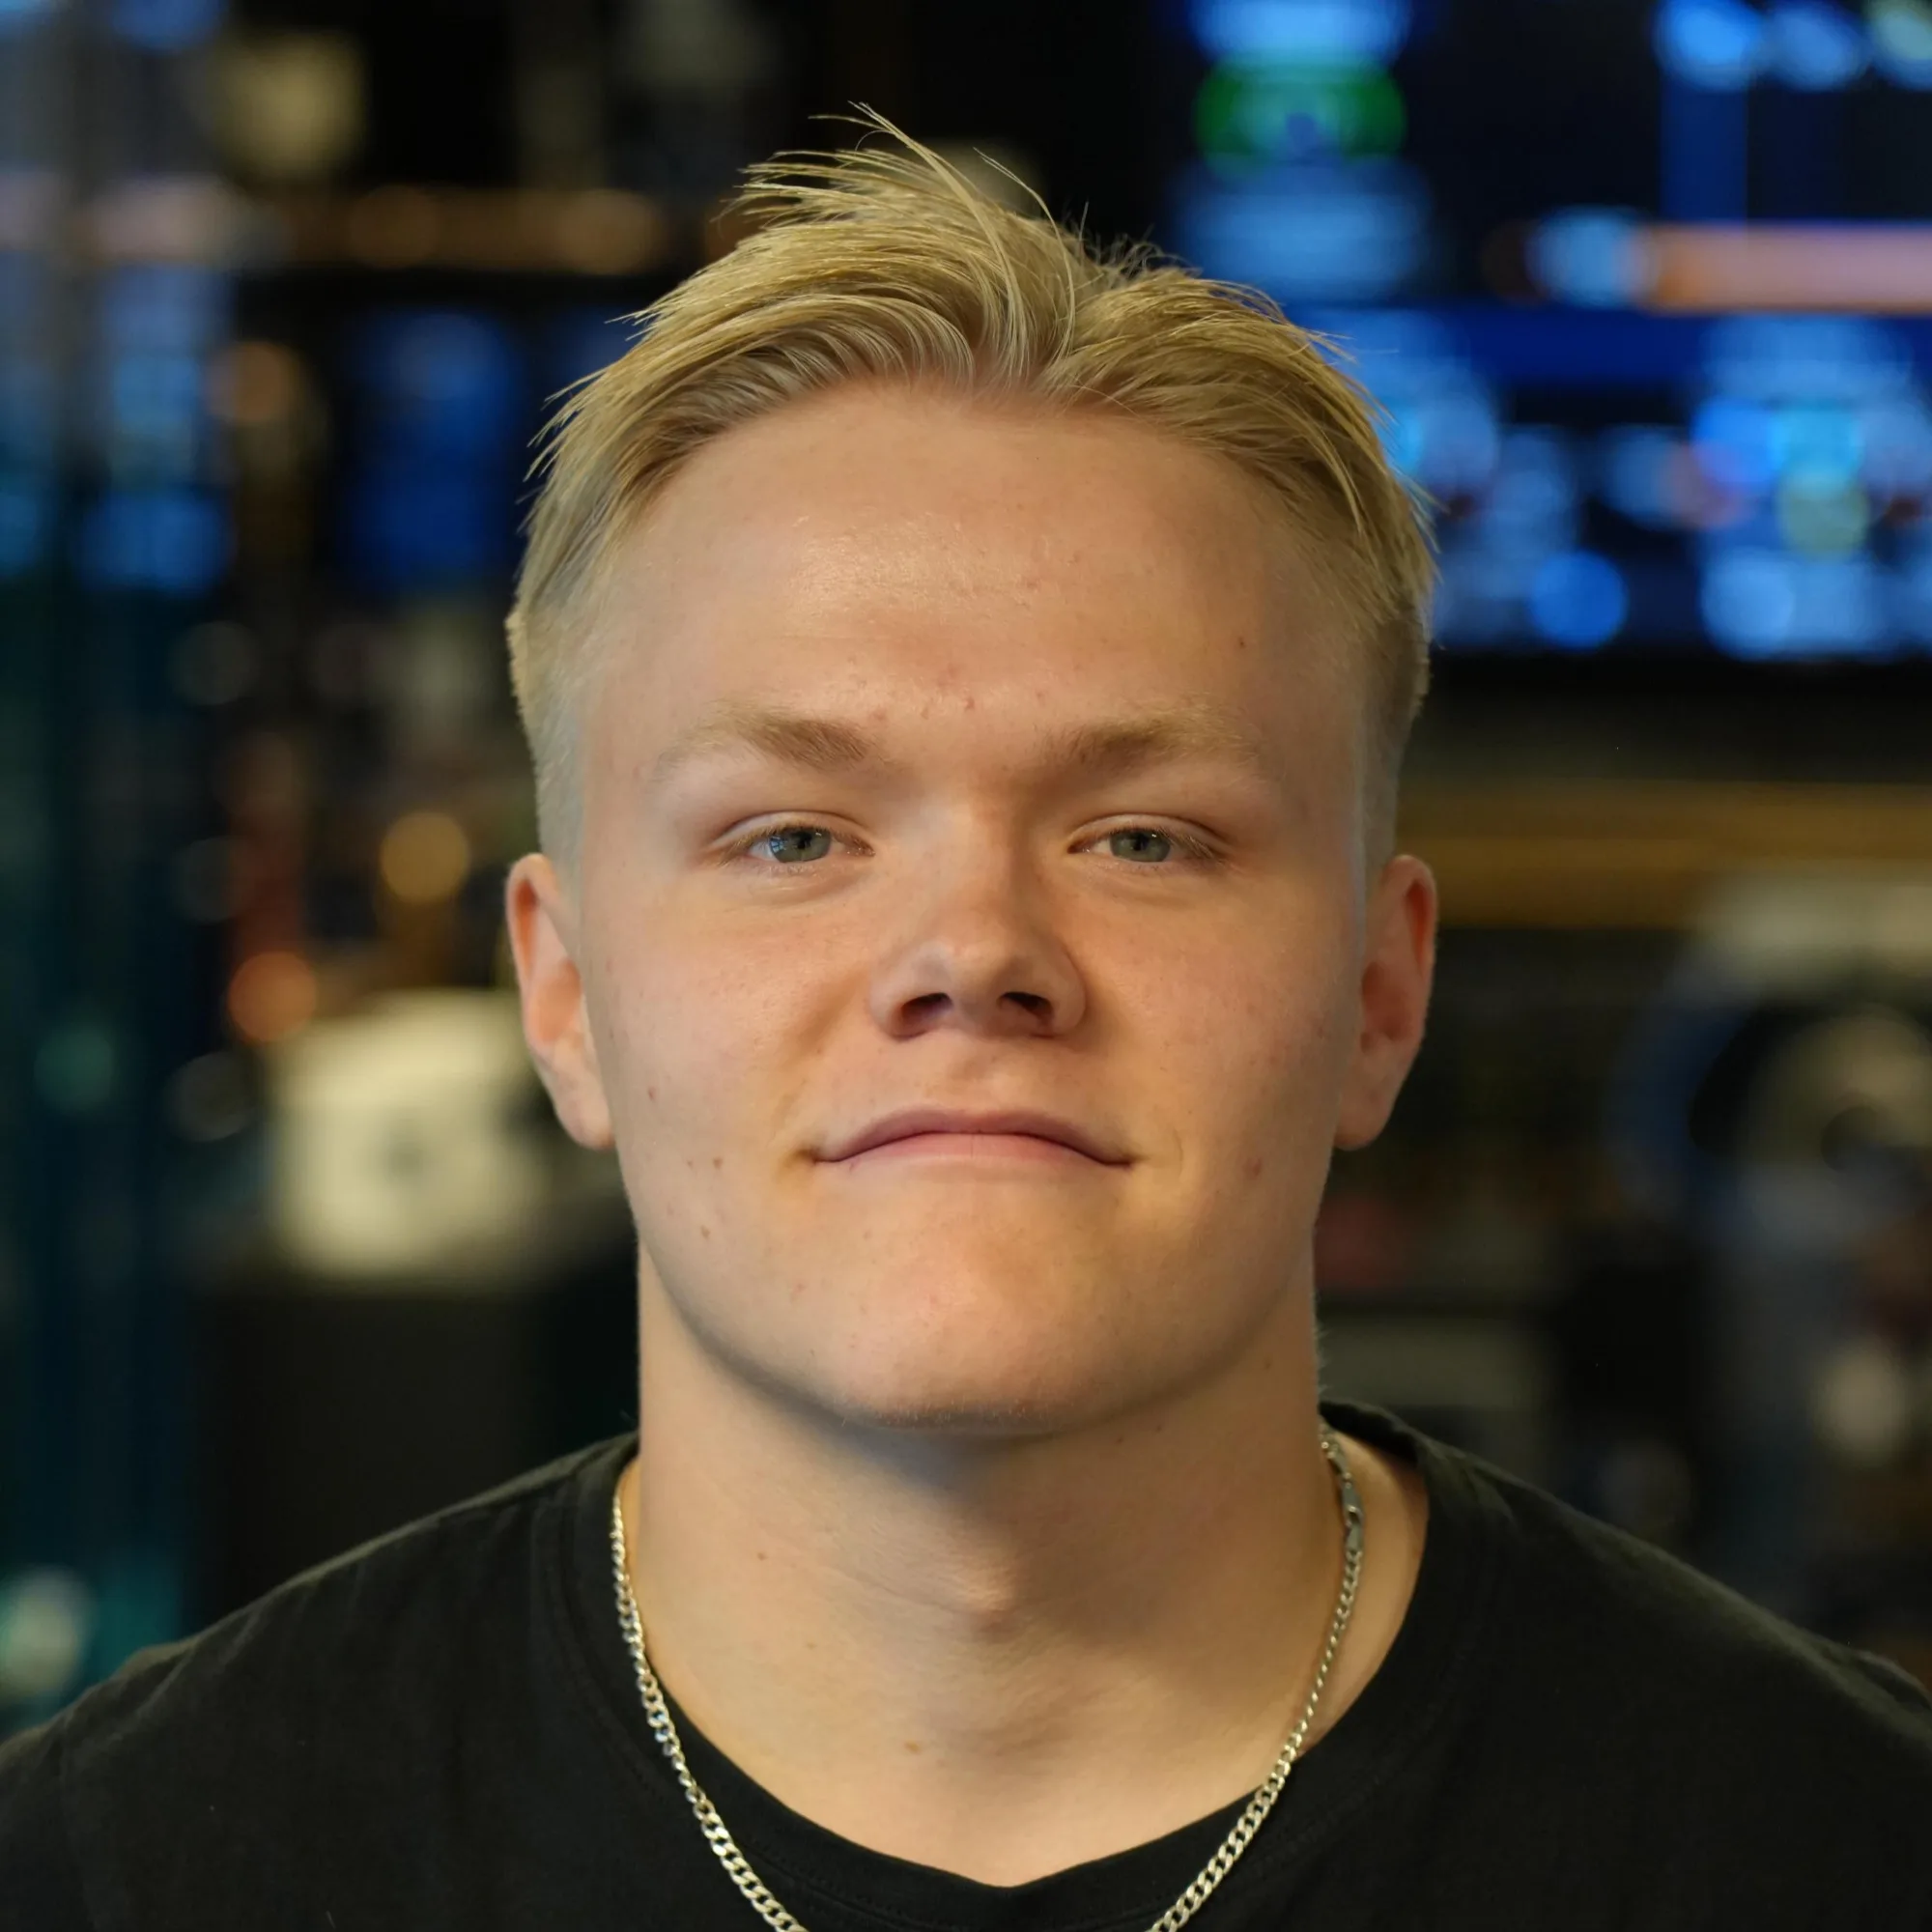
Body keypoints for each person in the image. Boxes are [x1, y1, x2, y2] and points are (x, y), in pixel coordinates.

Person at [4, 118, 1930, 1931]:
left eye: (1142, 835)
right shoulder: (119, 1871)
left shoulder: (1836, 1849)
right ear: (564, 990)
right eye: (791, 835)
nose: (973, 950)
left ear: (1376, 989)